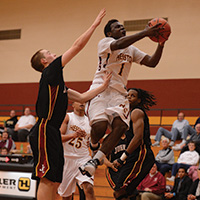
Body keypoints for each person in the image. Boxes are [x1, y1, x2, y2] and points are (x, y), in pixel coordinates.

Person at [29, 9, 110, 200]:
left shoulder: (58, 84)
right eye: (49, 53)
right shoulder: (50, 72)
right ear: (44, 61)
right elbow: (77, 45)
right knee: (47, 179)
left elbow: (82, 98)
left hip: (53, 132)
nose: (53, 53)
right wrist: (94, 25)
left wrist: (103, 86)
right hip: (44, 129)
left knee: (56, 181)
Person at [80, 18, 167, 177]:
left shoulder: (132, 49)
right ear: (109, 33)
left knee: (121, 127)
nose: (122, 28)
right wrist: (145, 33)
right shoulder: (104, 42)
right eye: (117, 27)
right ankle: (93, 145)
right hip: (101, 88)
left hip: (119, 93)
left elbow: (152, 62)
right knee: (100, 127)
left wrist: (161, 44)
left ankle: (96, 160)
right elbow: (119, 45)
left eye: (123, 27)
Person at [105, 88, 156, 200]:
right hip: (132, 155)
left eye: (132, 96)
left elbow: (138, 138)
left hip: (142, 154)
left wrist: (121, 158)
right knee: (122, 192)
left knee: (120, 191)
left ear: (138, 100)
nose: (128, 97)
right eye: (127, 95)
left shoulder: (136, 112)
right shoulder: (125, 114)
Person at [58, 102, 95, 200]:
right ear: (73, 105)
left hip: (83, 158)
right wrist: (73, 135)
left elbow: (94, 141)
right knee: (66, 197)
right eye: (79, 101)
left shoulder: (90, 120)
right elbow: (59, 138)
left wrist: (91, 142)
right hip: (67, 159)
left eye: (84, 101)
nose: (82, 103)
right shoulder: (68, 117)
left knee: (89, 189)